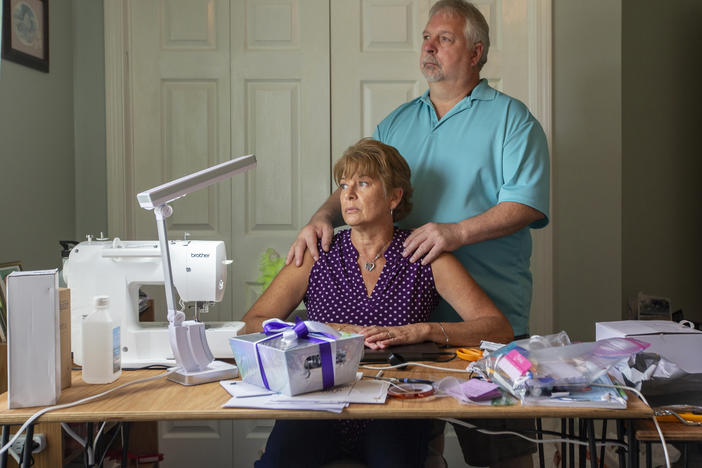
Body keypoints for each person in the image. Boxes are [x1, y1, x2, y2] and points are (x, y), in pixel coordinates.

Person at [285, 2, 549, 466]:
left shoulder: (512, 119)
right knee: (415, 455)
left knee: (501, 456)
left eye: (444, 39)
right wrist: (322, 217)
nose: (429, 47)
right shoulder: (397, 122)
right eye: (426, 37)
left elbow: (526, 203)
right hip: (405, 325)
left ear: (476, 52)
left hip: (487, 325)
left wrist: (456, 233)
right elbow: (357, 182)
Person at [243, 138, 513, 468]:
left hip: (395, 403)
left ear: (394, 197)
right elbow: (253, 323)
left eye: (363, 183)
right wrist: (324, 330)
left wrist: (422, 331)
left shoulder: (424, 255)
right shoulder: (317, 254)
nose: (348, 194)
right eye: (343, 185)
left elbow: (498, 329)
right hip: (315, 402)